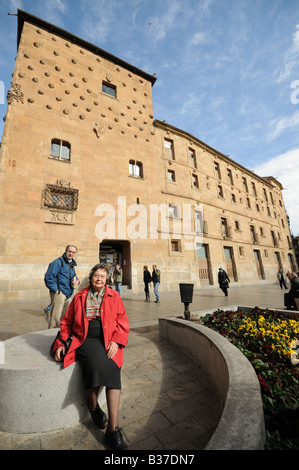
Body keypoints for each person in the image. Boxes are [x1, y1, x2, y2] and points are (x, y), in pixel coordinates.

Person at [53, 263, 129, 450]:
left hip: (108, 339)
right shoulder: (79, 297)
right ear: (91, 277)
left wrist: (117, 341)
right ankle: (93, 405)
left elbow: (122, 320)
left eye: (103, 276)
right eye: (96, 275)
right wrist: (61, 343)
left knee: (113, 365)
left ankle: (113, 430)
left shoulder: (114, 296)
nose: (99, 279)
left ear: (107, 279)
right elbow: (66, 323)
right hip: (84, 339)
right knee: (95, 365)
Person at [44, 245, 80, 328]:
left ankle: (61, 336)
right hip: (60, 293)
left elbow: (74, 277)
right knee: (55, 319)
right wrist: (57, 291)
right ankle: (51, 336)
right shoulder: (58, 262)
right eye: (69, 251)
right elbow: (49, 277)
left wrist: (77, 281)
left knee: (65, 319)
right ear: (66, 251)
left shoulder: (71, 265)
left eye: (73, 252)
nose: (71, 253)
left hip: (68, 294)